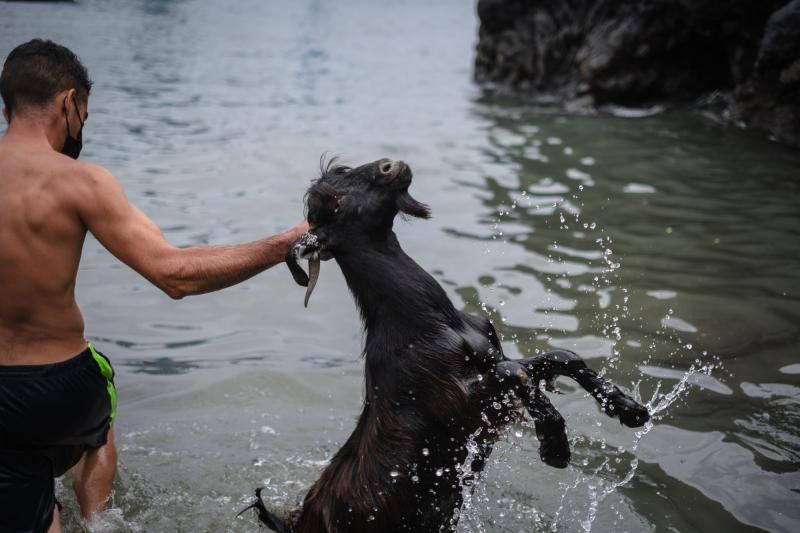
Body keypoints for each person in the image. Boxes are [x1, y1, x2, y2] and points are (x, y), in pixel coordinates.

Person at [0, 39, 308, 533]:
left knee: (22, 488)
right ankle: (99, 522)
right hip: (61, 386)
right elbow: (174, 273)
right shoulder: (82, 182)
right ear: (68, 102)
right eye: (84, 113)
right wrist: (285, 243)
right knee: (98, 415)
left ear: (6, 104)